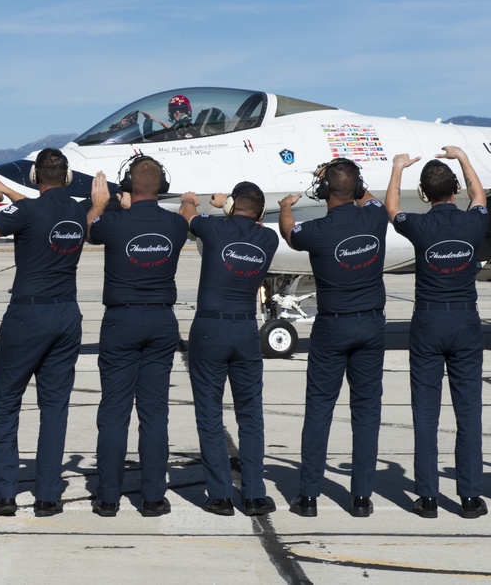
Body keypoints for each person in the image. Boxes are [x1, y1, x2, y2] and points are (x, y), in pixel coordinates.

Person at [0, 148, 87, 517]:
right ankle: (48, 495)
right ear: (67, 178)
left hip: (28, 314)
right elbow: (41, 208)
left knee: (6, 402)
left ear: (36, 178)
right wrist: (12, 191)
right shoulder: (80, 210)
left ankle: (5, 492)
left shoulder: (29, 211)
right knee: (54, 408)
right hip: (66, 313)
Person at [279, 158, 386, 518]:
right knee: (367, 412)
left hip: (332, 326)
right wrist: (350, 181)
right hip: (370, 326)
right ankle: (361, 498)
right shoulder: (375, 216)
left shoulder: (316, 230)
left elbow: (289, 233)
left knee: (320, 410)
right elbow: (368, 196)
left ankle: (308, 498)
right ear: (356, 190)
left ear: (324, 192)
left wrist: (285, 207)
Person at [386, 147, 489, 519]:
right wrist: (462, 157)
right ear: (456, 189)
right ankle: (470, 497)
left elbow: (392, 207)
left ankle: (428, 497)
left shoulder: (418, 224)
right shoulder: (474, 221)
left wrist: (397, 168)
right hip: (464, 323)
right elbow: (479, 195)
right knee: (468, 412)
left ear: (425, 195)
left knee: (426, 414)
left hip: (429, 323)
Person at [84, 156, 187, 517]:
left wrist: (103, 204)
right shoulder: (175, 225)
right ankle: (153, 496)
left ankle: (109, 497)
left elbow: (90, 230)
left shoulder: (113, 223)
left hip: (122, 320)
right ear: (162, 186)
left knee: (114, 410)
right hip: (161, 321)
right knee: (154, 412)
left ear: (127, 186)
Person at [179, 182, 278, 517]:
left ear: (234, 204)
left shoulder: (215, 228)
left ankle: (220, 494)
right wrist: (231, 206)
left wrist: (193, 200)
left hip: (210, 327)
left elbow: (189, 216)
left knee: (209, 412)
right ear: (261, 212)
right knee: (250, 414)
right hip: (245, 329)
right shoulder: (269, 239)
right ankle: (253, 493)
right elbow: (255, 223)